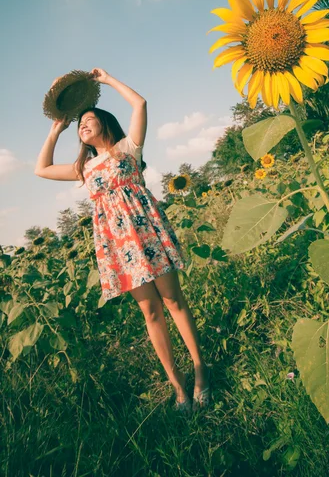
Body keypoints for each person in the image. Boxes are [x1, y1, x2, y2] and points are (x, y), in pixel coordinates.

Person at [35, 67, 210, 413]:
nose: (83, 125)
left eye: (88, 119)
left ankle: (201, 370)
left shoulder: (128, 148)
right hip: (119, 246)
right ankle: (178, 388)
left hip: (146, 232)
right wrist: (57, 129)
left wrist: (106, 80)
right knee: (150, 311)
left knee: (173, 300)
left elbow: (140, 103)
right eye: (79, 124)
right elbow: (41, 168)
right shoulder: (83, 168)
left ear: (104, 122)